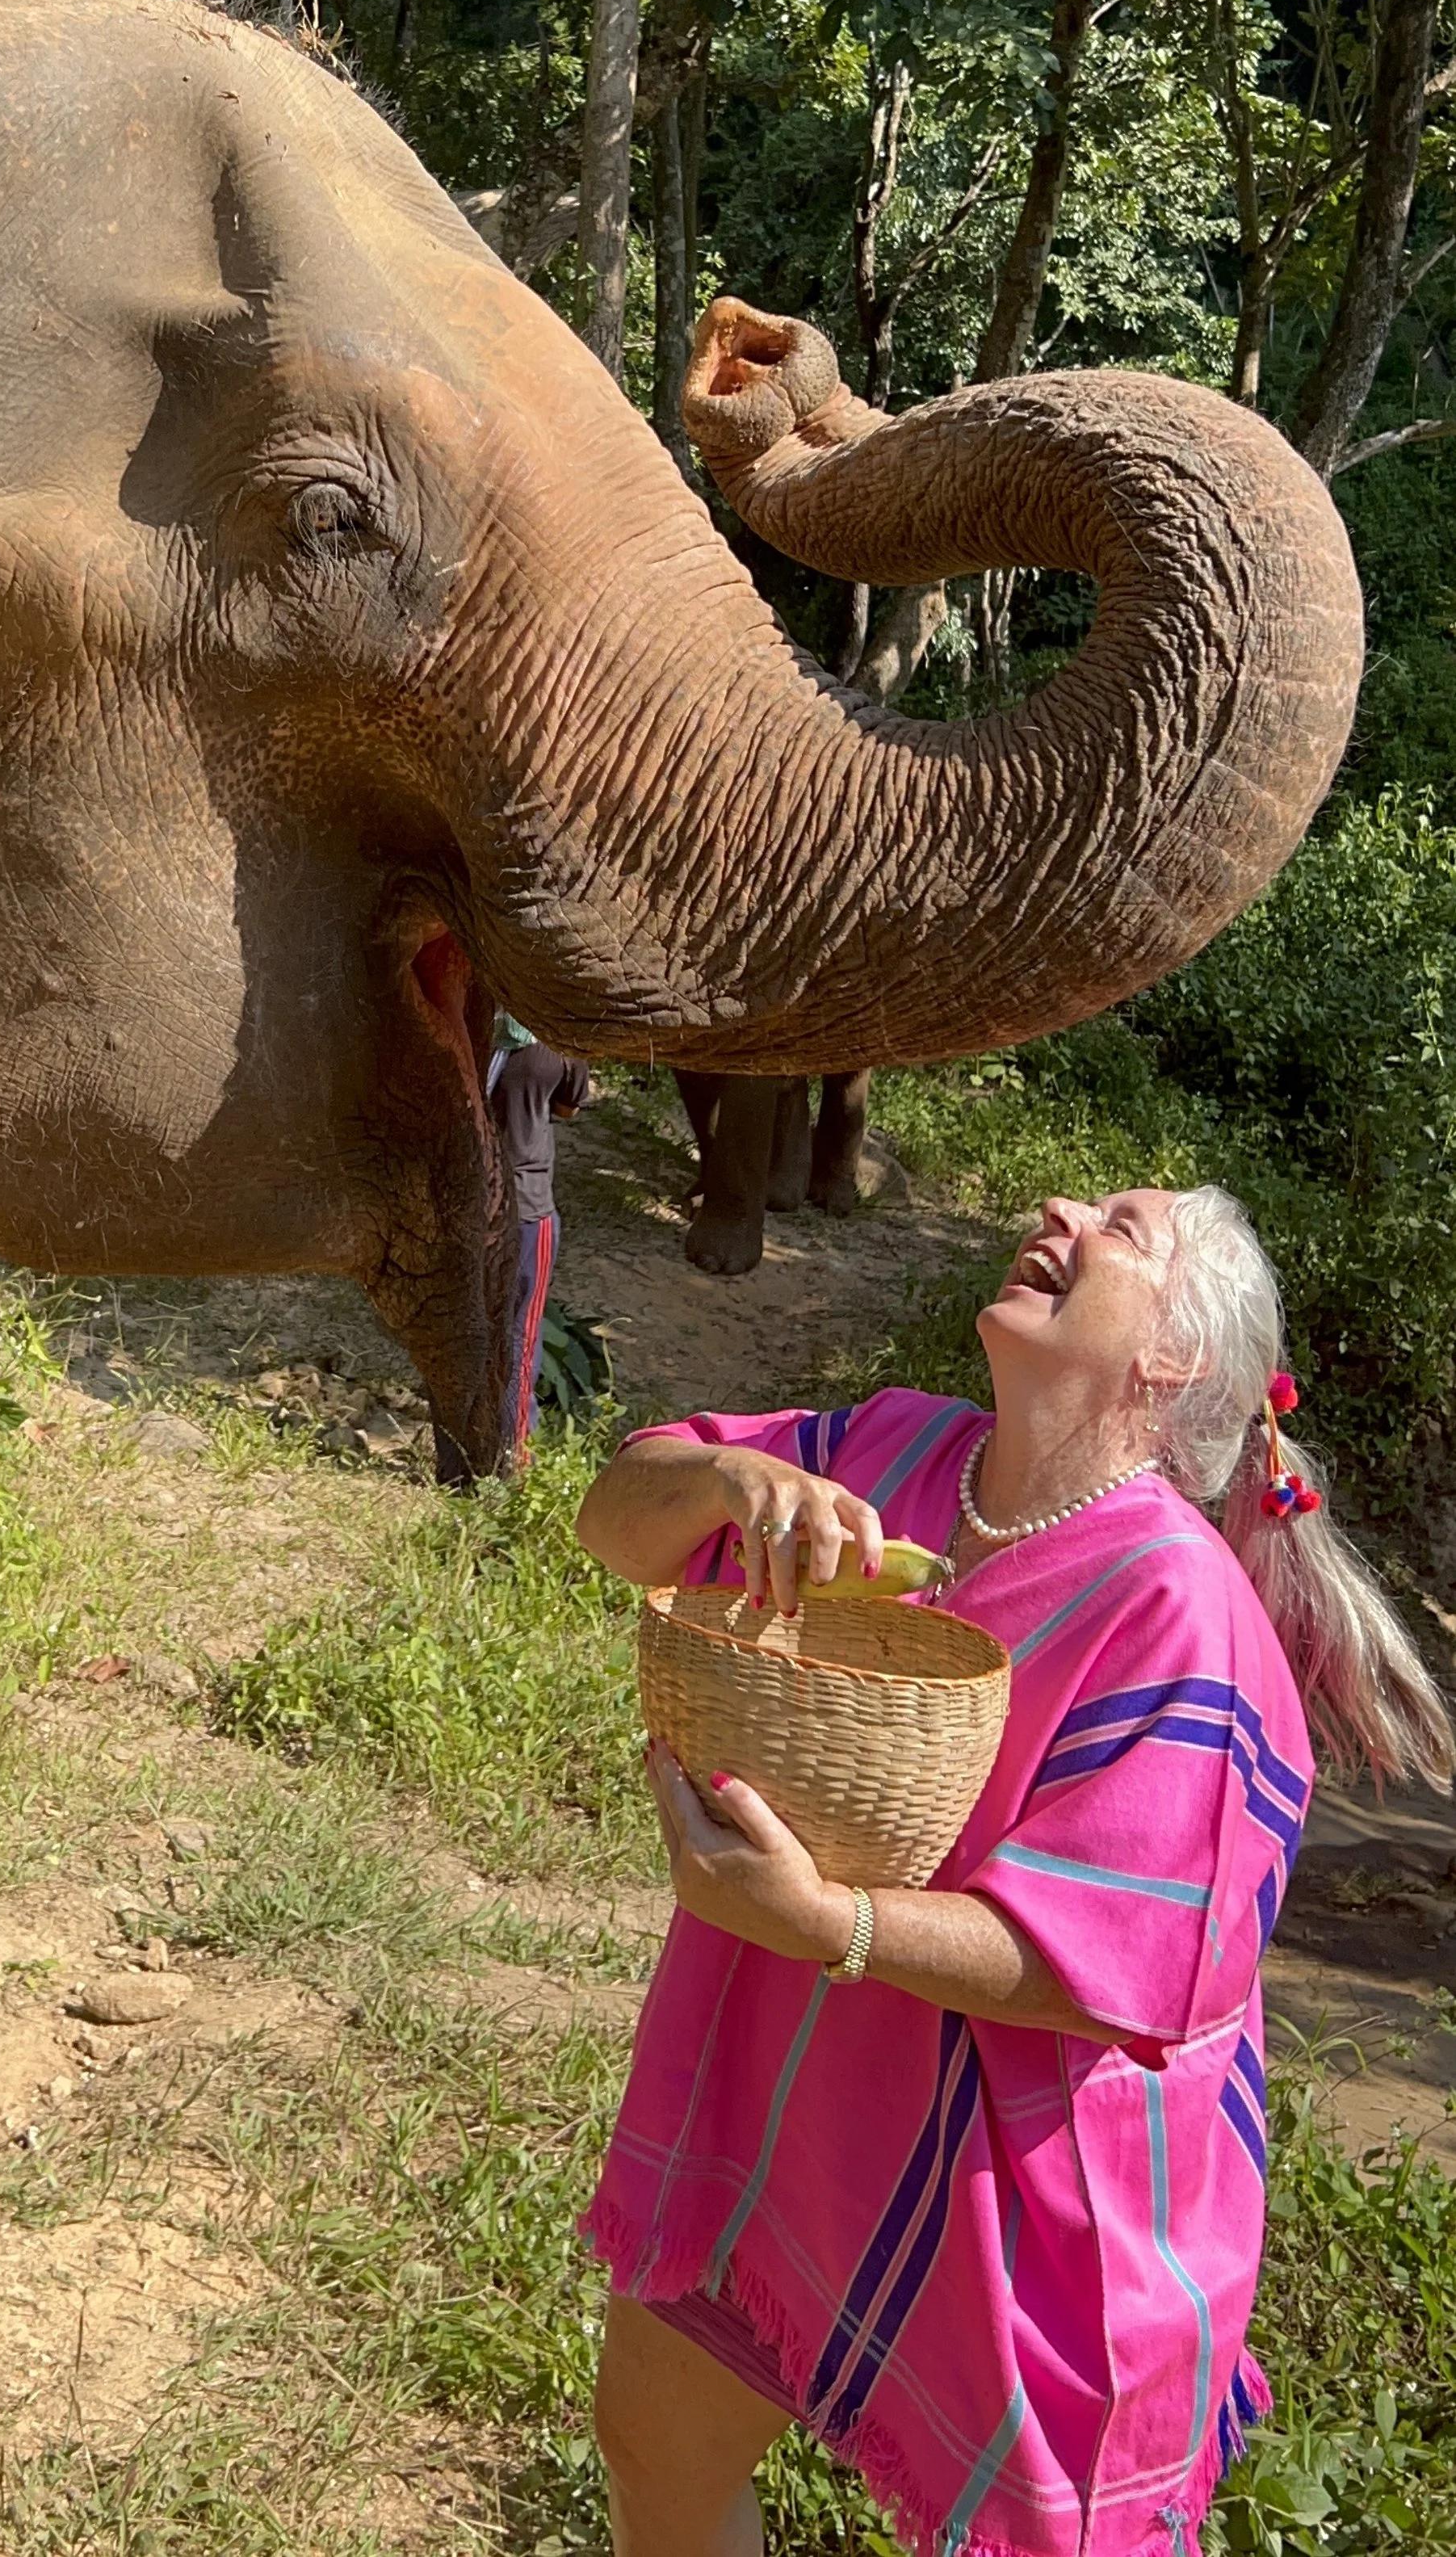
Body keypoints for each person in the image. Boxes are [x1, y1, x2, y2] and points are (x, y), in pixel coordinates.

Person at [577, 1184, 1454, 2557]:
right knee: (653, 2451)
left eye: (1124, 1222)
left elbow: (1115, 1965)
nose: (1062, 1209)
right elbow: (615, 1520)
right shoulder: (891, 1452)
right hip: (787, 2098)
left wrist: (832, 1920)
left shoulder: (1184, 1613)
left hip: (1035, 2203)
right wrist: (724, 1479)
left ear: (1170, 1360)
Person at [488, 1015, 590, 1451]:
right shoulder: (561, 1043)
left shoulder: (474, 1037)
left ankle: (467, 1440)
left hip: (476, 1202)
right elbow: (568, 1108)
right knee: (521, 1336)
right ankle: (515, 1454)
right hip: (530, 1207)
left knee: (479, 1324)